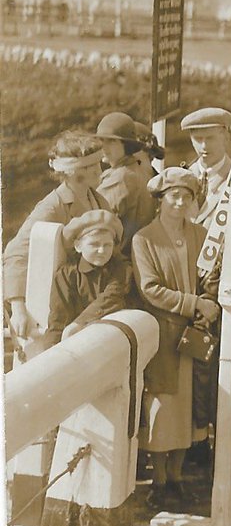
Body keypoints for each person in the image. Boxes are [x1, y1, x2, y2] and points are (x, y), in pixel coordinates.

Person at [132, 168, 218, 511]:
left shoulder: (201, 234)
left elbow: (211, 277)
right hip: (163, 334)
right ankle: (159, 480)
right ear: (160, 200)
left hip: (194, 333)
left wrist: (207, 304)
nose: (180, 202)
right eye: (174, 196)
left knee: (188, 408)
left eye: (187, 196)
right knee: (162, 406)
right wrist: (193, 303)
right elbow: (150, 288)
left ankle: (178, 478)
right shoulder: (144, 239)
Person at [4, 130, 110, 343]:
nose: (99, 169)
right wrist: (18, 308)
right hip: (59, 306)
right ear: (71, 171)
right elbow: (16, 253)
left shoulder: (99, 200)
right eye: (90, 165)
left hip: (91, 300)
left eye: (98, 162)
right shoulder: (51, 207)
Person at [41, 209, 132, 349]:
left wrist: (78, 324)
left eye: (107, 245)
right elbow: (58, 320)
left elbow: (111, 298)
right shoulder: (66, 275)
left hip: (112, 343)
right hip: (75, 344)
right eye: (94, 244)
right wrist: (49, 352)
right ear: (78, 246)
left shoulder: (122, 269)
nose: (101, 250)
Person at [94, 111, 156, 251]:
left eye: (111, 141)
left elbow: (93, 217)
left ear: (126, 145)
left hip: (118, 255)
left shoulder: (121, 178)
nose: (103, 147)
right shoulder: (138, 170)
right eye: (101, 140)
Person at [181, 107, 231, 229]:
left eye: (211, 138)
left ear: (226, 138)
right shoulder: (182, 177)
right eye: (198, 139)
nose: (204, 146)